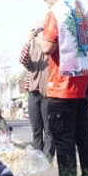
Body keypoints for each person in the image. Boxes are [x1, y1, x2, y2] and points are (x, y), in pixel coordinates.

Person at [37, 0, 88, 176]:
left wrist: (38, 35)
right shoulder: (85, 9)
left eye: (46, 0)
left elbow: (47, 47)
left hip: (62, 87)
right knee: (85, 137)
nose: (47, 4)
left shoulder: (55, 11)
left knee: (63, 139)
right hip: (85, 84)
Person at [18, 26, 52, 156]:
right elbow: (22, 59)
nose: (40, 37)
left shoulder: (51, 50)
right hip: (33, 93)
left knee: (49, 130)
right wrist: (29, 40)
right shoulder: (31, 47)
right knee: (36, 129)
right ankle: (38, 158)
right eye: (38, 34)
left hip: (48, 93)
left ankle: (47, 159)